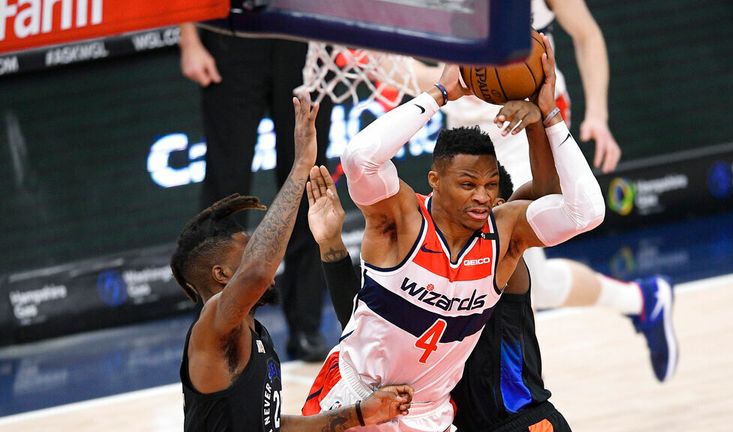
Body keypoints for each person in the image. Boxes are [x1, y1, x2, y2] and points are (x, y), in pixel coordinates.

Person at [302, 35, 604, 431]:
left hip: (442, 416)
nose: (482, 199)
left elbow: (584, 210)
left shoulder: (506, 238)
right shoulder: (402, 223)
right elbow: (361, 159)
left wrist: (547, 115)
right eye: (468, 185)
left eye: (491, 187)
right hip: (357, 397)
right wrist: (440, 94)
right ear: (435, 181)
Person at [412, 0, 678, 383]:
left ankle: (500, 396)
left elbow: (586, 34)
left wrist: (598, 115)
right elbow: (436, 74)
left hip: (529, 122)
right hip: (471, 132)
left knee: (514, 272)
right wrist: (389, 67)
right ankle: (643, 300)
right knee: (514, 277)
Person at [169, 95, 414, 432]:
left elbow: (271, 426)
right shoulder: (211, 324)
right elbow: (257, 271)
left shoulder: (256, 334)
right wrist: (300, 167)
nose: (264, 256)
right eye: (249, 248)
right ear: (222, 274)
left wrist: (360, 414)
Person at [307, 162, 572, 431]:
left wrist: (545, 122)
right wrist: (330, 244)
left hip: (524, 422)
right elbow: (362, 328)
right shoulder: (427, 274)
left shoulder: (504, 252)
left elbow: (548, 193)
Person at [179, 14, 332, 361]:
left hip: (302, 33)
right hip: (232, 32)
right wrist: (188, 38)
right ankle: (214, 323)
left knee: (308, 179)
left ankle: (306, 325)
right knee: (225, 190)